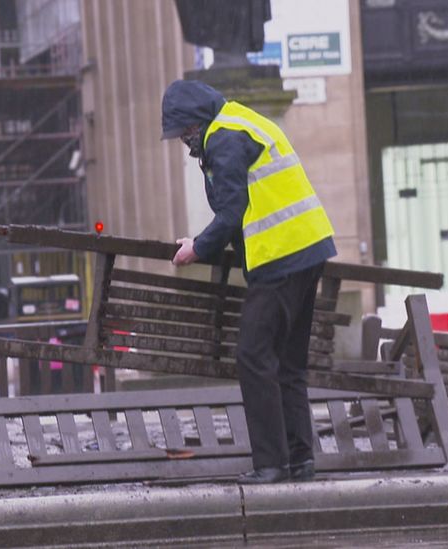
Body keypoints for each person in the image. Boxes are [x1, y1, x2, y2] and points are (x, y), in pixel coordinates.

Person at [161, 79, 336, 484]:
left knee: (253, 357)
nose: (185, 143)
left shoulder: (223, 137)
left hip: (280, 257)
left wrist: (197, 248)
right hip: (310, 248)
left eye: (184, 133)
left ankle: (271, 464)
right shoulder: (242, 120)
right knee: (288, 364)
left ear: (194, 123)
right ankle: (299, 460)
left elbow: (232, 209)